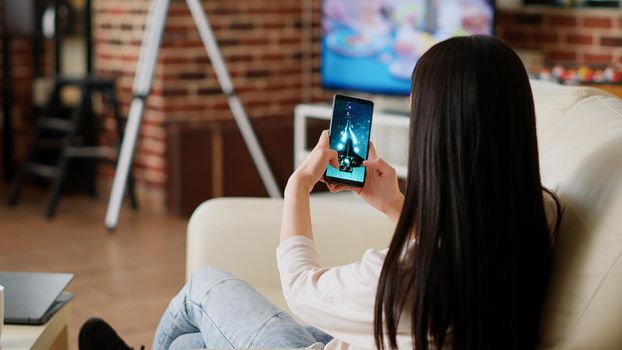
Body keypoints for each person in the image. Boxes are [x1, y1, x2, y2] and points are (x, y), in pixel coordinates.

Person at [79, 35, 560, 350]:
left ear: (436, 134)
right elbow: (452, 245)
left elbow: (300, 288)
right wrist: (394, 205)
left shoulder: (404, 281)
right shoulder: (534, 212)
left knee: (204, 287)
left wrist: (298, 186)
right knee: (190, 347)